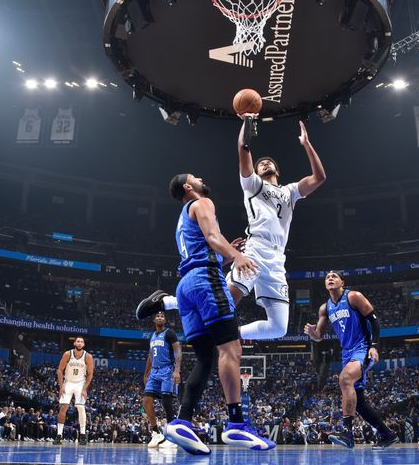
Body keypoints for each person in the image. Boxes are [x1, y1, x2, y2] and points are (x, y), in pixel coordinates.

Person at [138, 120, 326, 341]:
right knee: (223, 301)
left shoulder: (290, 191)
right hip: (255, 249)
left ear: (278, 170)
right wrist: (247, 121)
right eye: (261, 163)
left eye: (268, 162)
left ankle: (234, 333)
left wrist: (306, 144)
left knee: (279, 328)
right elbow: (242, 148)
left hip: (277, 260)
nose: (265, 163)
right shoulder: (253, 185)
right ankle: (166, 302)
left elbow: (319, 178)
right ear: (255, 171)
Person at [142, 173, 275, 455]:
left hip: (186, 286)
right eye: (195, 176)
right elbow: (213, 238)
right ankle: (237, 423)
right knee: (232, 348)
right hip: (206, 280)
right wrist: (237, 257)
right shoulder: (203, 202)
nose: (202, 177)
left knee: (206, 357)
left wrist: (228, 252)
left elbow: (209, 245)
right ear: (189, 187)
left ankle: (183, 421)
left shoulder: (182, 217)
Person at [304, 270, 398, 449]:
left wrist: (374, 346)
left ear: (342, 282)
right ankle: (387, 434)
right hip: (347, 353)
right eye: (327, 277)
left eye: (334, 276)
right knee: (360, 403)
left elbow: (374, 321)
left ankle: (347, 433)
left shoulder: (354, 297)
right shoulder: (325, 308)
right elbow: (319, 336)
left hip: (363, 348)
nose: (330, 278)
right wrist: (311, 333)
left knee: (345, 378)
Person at [143, 311, 180, 449]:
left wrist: (177, 370)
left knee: (166, 402)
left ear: (165, 320)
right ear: (154, 319)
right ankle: (155, 433)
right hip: (154, 371)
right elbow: (151, 356)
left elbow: (178, 351)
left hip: (167, 370)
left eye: (162, 316)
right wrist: (146, 373)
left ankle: (172, 436)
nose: (159, 317)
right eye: (157, 316)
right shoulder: (152, 336)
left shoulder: (169, 333)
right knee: (146, 402)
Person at [53, 337, 94, 445]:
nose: (79, 343)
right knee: (63, 408)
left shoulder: (88, 356)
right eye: (78, 341)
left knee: (81, 407)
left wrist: (85, 389)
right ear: (74, 343)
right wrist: (61, 386)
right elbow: (59, 370)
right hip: (68, 382)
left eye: (81, 342)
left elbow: (90, 374)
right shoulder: (67, 354)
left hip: (80, 383)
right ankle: (59, 435)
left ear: (83, 344)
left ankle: (83, 435)